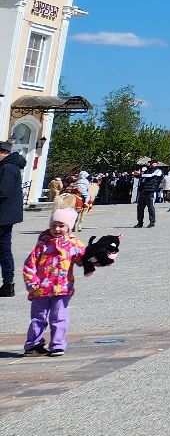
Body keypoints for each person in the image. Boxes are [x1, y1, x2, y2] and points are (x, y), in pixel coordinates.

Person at [22, 207, 86, 356]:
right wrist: (31, 282)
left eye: (61, 226)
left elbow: (83, 259)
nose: (57, 229)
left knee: (59, 317)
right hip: (40, 289)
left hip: (62, 288)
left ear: (69, 227)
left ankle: (57, 345)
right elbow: (29, 264)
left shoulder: (74, 244)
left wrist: (98, 257)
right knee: (38, 318)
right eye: (53, 225)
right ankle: (33, 345)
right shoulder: (43, 244)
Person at [0, 140, 24, 297]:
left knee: (4, 249)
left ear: (3, 153)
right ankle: (8, 283)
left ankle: (8, 284)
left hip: (3, 215)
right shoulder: (10, 166)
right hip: (6, 214)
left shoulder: (8, 168)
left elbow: (3, 192)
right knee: (3, 249)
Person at [135, 160, 164, 228]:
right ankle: (140, 223)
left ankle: (152, 222)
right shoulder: (146, 171)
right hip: (143, 191)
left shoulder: (158, 170)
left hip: (151, 191)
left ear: (156, 164)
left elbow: (151, 175)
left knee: (151, 207)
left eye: (152, 163)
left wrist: (140, 174)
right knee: (140, 208)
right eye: (150, 163)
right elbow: (141, 177)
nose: (151, 164)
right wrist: (136, 174)